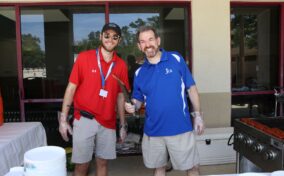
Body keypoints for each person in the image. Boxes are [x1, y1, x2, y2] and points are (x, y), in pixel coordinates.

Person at [125, 26, 205, 176]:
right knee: (159, 169)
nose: (147, 44)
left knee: (192, 168)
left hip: (180, 127)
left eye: (150, 39)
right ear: (139, 46)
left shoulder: (175, 59)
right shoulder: (139, 73)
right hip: (154, 131)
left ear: (158, 40)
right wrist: (132, 107)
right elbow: (138, 100)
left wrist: (198, 115)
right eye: (143, 41)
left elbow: (191, 88)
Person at [58, 22, 130, 176]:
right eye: (107, 35)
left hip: (108, 122)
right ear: (100, 36)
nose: (110, 39)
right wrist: (63, 119)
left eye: (114, 37)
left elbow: (120, 96)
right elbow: (71, 88)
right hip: (85, 119)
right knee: (82, 166)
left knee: (103, 163)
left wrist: (123, 124)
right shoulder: (84, 58)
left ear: (119, 40)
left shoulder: (121, 65)